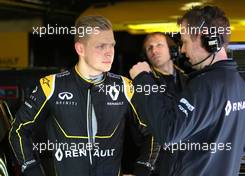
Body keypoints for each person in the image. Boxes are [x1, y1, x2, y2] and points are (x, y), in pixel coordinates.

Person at [9, 15, 145, 176]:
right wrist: (33, 170)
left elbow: (154, 132)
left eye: (112, 45)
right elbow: (18, 131)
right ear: (80, 49)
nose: (109, 53)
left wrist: (142, 170)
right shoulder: (51, 85)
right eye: (101, 46)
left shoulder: (125, 87)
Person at [129, 6, 245, 176]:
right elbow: (243, 147)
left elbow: (168, 133)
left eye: (185, 41)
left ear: (206, 38)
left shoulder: (204, 86)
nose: (182, 50)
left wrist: (142, 79)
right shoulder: (242, 87)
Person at [133, 32, 187, 176]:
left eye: (159, 45)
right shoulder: (143, 83)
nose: (154, 51)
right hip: (157, 165)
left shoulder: (188, 80)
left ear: (172, 49)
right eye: (149, 48)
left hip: (185, 162)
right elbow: (145, 129)